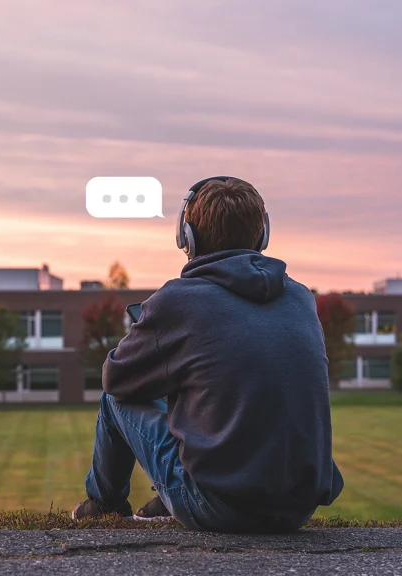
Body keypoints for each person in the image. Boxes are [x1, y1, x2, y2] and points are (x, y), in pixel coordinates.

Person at [72, 176, 344, 533]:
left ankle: (103, 505)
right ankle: (168, 501)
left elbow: (117, 377)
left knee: (114, 400)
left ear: (188, 236)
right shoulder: (300, 298)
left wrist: (156, 344)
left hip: (219, 507)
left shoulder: (179, 300)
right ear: (262, 234)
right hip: (297, 509)